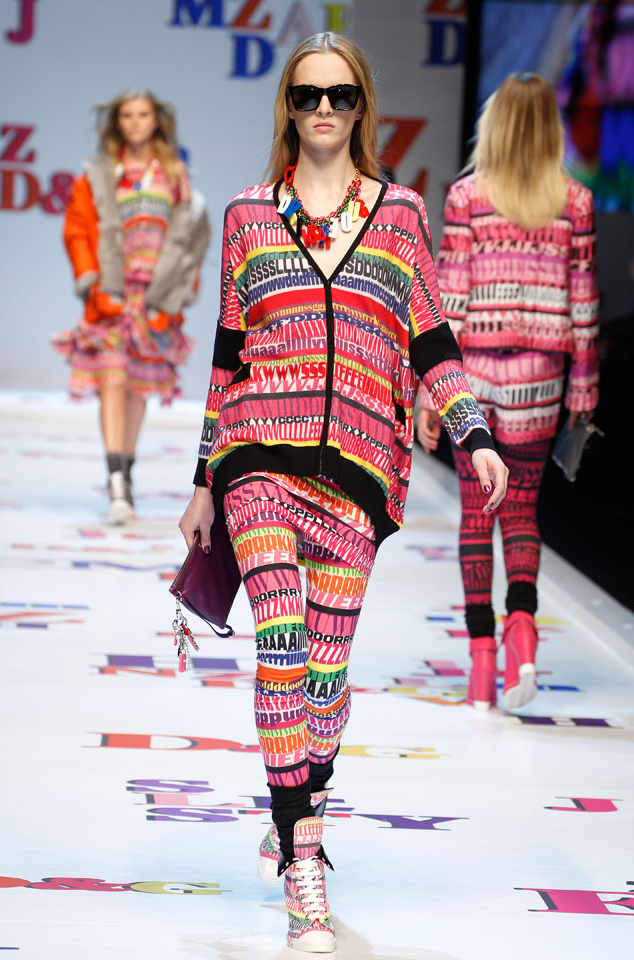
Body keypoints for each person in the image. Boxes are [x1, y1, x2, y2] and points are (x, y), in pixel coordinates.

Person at [179, 33, 508, 953]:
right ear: (286, 106)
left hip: (360, 468)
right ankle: (303, 860)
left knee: (324, 677)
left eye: (341, 95)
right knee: (280, 638)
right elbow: (227, 355)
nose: (324, 109)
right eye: (308, 94)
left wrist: (474, 429)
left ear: (362, 106)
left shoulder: (399, 214)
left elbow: (430, 335)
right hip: (257, 457)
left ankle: (301, 797)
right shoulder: (249, 215)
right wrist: (204, 480)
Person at [417, 73, 599, 713]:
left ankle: (480, 662)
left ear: (493, 123)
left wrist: (431, 394)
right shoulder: (575, 202)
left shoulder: (467, 196)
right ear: (550, 127)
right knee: (520, 513)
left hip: (473, 378)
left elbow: (450, 298)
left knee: (476, 516)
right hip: (540, 381)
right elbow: (584, 303)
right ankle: (522, 634)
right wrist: (583, 390)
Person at [52, 89, 210, 522]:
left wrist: (174, 297)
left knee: (138, 387)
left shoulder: (174, 174)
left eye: (143, 114)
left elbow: (190, 241)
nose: (135, 122)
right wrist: (92, 283)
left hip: (153, 299)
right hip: (112, 296)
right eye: (127, 115)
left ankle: (125, 470)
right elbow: (78, 230)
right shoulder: (99, 174)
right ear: (117, 122)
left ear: (156, 120)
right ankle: (117, 479)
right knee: (112, 380)